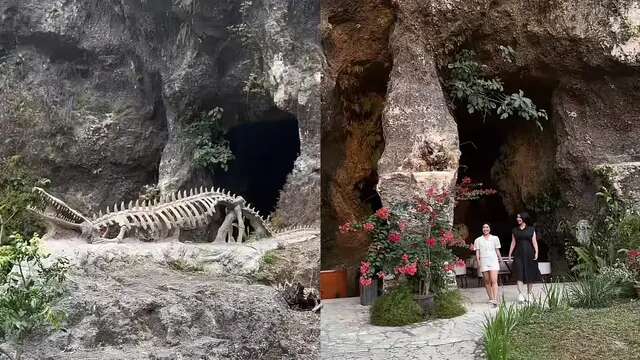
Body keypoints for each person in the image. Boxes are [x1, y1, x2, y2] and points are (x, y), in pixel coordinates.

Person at [508, 212, 541, 303]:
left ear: (524, 218)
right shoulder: (515, 230)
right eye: (517, 217)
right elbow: (513, 242)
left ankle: (529, 294)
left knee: (529, 274)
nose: (518, 219)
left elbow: (534, 242)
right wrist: (510, 254)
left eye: (519, 217)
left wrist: (536, 252)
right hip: (518, 255)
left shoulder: (531, 229)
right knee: (519, 274)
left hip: (529, 254)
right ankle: (520, 294)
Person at [474, 223, 502, 307]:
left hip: (493, 260)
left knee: (494, 280)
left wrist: (500, 259)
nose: (485, 229)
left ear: (490, 228)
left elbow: (497, 250)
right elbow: (477, 252)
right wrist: (478, 262)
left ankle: (495, 299)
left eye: (487, 227)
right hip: (484, 261)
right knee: (487, 280)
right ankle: (490, 298)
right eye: (484, 227)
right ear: (482, 229)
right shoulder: (478, 240)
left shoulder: (495, 238)